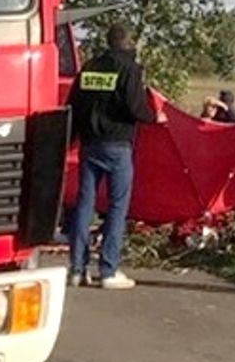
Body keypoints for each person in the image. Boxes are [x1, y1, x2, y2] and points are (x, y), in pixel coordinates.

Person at [67, 23, 165, 290]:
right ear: (128, 41)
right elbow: (135, 107)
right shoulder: (130, 69)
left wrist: (70, 141)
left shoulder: (89, 68)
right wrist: (155, 116)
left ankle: (77, 269)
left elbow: (73, 105)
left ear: (108, 41)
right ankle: (108, 271)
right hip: (118, 146)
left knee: (84, 206)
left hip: (90, 145)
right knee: (117, 208)